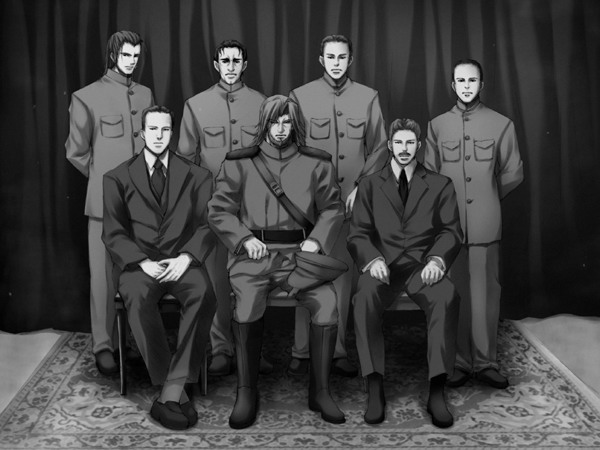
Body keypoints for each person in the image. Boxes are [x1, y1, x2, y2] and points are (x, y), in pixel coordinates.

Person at [208, 95, 346, 429]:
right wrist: (244, 239)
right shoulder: (240, 163)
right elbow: (218, 210)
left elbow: (333, 208)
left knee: (327, 303)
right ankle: (246, 392)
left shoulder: (317, 163)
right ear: (264, 124)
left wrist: (317, 240)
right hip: (253, 258)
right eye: (274, 122)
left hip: (300, 256)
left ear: (295, 125)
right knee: (246, 307)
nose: (281, 129)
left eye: (287, 122)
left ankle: (320, 392)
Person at [102, 106, 216, 430]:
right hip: (139, 265)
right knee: (137, 298)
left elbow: (207, 226)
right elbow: (113, 233)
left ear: (172, 133)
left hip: (182, 261)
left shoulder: (198, 176)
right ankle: (175, 391)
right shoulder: (116, 177)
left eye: (165, 130)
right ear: (142, 133)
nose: (158, 136)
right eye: (152, 129)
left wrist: (186, 258)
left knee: (204, 293)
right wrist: (142, 263)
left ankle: (170, 393)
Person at [349, 118, 462, 428]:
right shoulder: (369, 184)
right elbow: (358, 233)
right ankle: (374, 388)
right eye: (398, 143)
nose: (404, 149)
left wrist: (436, 261)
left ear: (419, 145)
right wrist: (372, 260)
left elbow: (451, 231)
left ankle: (437, 391)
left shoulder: (441, 184)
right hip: (383, 266)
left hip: (421, 266)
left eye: (410, 143)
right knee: (362, 298)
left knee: (447, 296)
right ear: (389, 145)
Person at [288, 34, 388, 377]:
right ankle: (302, 351)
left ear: (350, 60)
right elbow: (291, 147)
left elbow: (380, 147)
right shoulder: (300, 96)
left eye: (341, 57)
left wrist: (360, 186)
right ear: (321, 60)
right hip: (310, 206)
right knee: (307, 272)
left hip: (349, 204)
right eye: (330, 57)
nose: (335, 63)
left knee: (342, 277)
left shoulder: (368, 97)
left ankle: (338, 351)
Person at [423, 59, 524, 389]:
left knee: (485, 295)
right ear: (453, 85)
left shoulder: (501, 124)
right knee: (455, 294)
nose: (466, 86)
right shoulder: (437, 126)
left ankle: (486, 363)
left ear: (482, 84)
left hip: (484, 223)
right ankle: (459, 363)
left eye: (472, 80)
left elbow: (513, 172)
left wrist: (488, 196)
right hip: (449, 226)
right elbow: (430, 175)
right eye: (460, 81)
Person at [65, 30, 154, 376]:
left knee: (134, 275)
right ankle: (103, 345)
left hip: (141, 205)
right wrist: (105, 178)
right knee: (103, 279)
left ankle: (127, 342)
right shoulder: (86, 97)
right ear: (113, 55)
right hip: (104, 205)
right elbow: (76, 152)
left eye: (136, 56)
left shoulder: (145, 94)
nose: (131, 62)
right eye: (125, 55)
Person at [177, 40, 267, 376]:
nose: (230, 66)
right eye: (224, 61)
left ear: (245, 64)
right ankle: (221, 348)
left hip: (252, 207)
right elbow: (187, 159)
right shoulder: (196, 105)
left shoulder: (262, 104)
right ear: (216, 64)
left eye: (236, 61)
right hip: (214, 208)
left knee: (251, 279)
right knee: (217, 279)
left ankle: (249, 347)